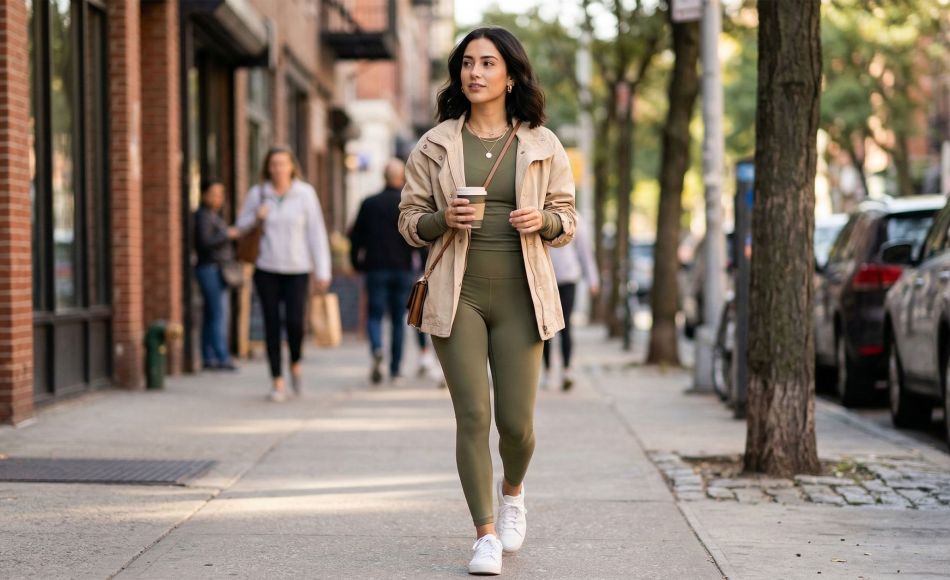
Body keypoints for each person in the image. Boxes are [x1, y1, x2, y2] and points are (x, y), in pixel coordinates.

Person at [398, 27, 576, 576]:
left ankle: (513, 492)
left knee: (517, 426)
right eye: (467, 63)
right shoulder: (434, 145)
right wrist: (440, 219)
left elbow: (568, 220)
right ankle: (485, 534)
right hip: (458, 292)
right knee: (473, 414)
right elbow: (408, 223)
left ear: (511, 74)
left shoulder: (543, 144)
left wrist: (542, 220)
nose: (474, 73)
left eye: (487, 63)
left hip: (523, 294)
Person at [236, 146, 332, 402]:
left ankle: (296, 363)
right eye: (273, 164)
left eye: (283, 164)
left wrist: (322, 270)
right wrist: (256, 217)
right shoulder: (258, 194)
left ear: (292, 166)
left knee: (294, 323)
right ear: (268, 167)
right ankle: (277, 380)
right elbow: (240, 226)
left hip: (298, 268)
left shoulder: (305, 194)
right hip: (266, 268)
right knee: (270, 324)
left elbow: (316, 233)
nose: (278, 169)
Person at [349, 159, 416, 385]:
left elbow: (356, 236)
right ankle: (396, 370)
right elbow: (417, 236)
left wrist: (356, 263)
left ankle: (377, 347)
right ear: (401, 178)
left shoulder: (369, 203)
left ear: (383, 177)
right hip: (402, 268)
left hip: (375, 267)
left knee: (375, 315)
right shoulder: (407, 203)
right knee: (398, 319)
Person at [542, 221, 600, 391]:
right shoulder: (541, 211)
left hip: (568, 279)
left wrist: (593, 280)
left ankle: (567, 371)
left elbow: (585, 253)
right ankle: (547, 371)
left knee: (566, 325)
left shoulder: (577, 220)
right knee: (545, 327)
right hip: (545, 278)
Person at [194, 180, 240, 371]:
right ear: (204, 195)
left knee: (211, 314)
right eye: (214, 194)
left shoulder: (214, 216)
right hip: (210, 269)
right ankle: (221, 357)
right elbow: (204, 242)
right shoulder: (203, 216)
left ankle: (209, 356)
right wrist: (227, 235)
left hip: (215, 269)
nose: (218, 198)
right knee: (218, 314)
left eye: (221, 194)